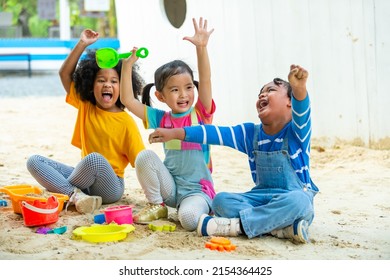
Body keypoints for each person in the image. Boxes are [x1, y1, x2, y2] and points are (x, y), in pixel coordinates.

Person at [148, 64, 319, 243]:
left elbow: (302, 111)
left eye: (271, 90)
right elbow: (213, 133)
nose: (262, 94)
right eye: (260, 93)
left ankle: (236, 227)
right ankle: (281, 229)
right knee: (221, 201)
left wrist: (299, 88)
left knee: (300, 200)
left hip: (290, 198)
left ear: (289, 101)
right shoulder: (250, 134)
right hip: (259, 198)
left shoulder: (297, 133)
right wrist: (175, 133)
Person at [26, 29, 145, 214]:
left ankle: (65, 189)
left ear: (123, 87)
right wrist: (82, 44)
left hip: (111, 186)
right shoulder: (86, 106)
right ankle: (75, 195)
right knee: (34, 161)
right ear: (90, 85)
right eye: (101, 80)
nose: (107, 84)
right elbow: (64, 74)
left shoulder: (126, 122)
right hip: (85, 181)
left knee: (94, 159)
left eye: (114, 81)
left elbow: (142, 162)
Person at [120, 17, 215, 231]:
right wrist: (127, 67)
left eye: (189, 87)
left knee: (189, 219)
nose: (184, 95)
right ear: (160, 96)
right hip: (170, 189)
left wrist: (201, 48)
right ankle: (157, 205)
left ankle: (205, 209)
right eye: (174, 90)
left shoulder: (201, 112)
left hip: (196, 192)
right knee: (144, 156)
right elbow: (128, 100)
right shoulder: (161, 118)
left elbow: (206, 80)